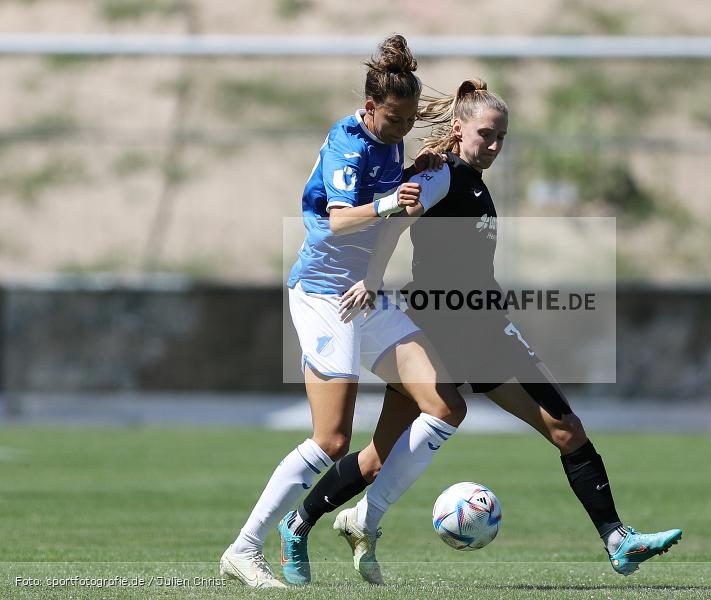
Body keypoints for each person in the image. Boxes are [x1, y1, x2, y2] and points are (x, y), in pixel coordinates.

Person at [279, 78, 682, 585]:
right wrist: (371, 280)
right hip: (436, 328)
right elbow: (394, 221)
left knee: (567, 429)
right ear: (458, 129)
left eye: (501, 137)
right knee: (379, 458)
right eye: (486, 135)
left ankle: (618, 540)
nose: (493, 145)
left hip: (487, 332)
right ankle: (301, 522)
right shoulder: (442, 175)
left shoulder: (469, 178)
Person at [219, 35, 466, 589]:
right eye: (396, 119)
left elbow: (400, 188)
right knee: (330, 439)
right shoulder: (348, 142)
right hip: (322, 293)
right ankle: (244, 546)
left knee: (445, 403)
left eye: (408, 119)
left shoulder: (391, 137)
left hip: (364, 292)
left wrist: (432, 156)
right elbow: (336, 221)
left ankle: (361, 518)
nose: (403, 128)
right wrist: (388, 202)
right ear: (370, 107)